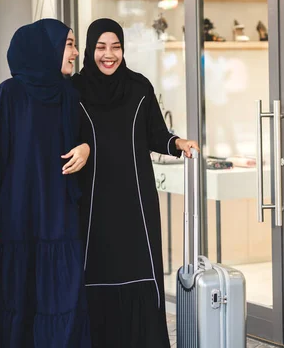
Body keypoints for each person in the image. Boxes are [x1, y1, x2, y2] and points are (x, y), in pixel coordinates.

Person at [72, 18, 198, 348]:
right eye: (101, 47)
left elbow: (155, 133)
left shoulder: (139, 88)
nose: (108, 55)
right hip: (91, 204)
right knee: (93, 275)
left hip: (135, 205)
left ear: (123, 49)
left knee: (139, 276)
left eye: (115, 47)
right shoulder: (74, 91)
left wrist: (177, 143)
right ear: (90, 49)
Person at [0, 19, 92, 347]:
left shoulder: (69, 95)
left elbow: (83, 138)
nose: (76, 53)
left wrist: (86, 147)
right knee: (19, 293)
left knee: (62, 292)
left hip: (59, 209)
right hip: (19, 209)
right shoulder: (10, 93)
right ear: (47, 48)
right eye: (69, 44)